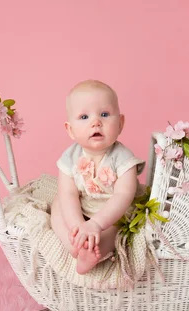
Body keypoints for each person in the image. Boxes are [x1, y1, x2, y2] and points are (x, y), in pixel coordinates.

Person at [50, 80, 144, 274]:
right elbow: (68, 194)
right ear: (70, 130)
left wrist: (96, 224)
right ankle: (76, 244)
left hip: (112, 213)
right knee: (59, 204)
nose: (96, 122)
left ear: (120, 124)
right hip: (83, 210)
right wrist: (79, 226)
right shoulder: (69, 158)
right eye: (84, 116)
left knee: (117, 231)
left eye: (104, 114)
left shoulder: (123, 159)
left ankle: (97, 249)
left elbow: (123, 196)